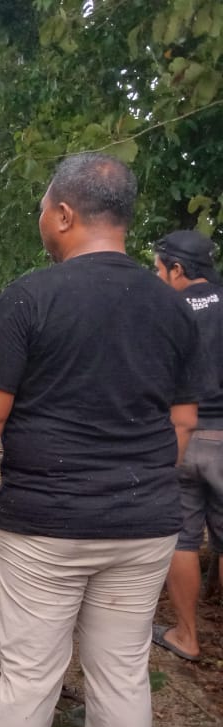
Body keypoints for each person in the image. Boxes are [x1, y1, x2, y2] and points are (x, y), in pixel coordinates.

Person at [0, 153, 206, 727]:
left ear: (63, 214)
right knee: (121, 677)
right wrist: (136, 484)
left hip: (44, 529)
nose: (42, 219)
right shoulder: (173, 307)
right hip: (144, 528)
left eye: (42, 209)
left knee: (30, 679)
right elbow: (184, 421)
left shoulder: (31, 297)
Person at [151, 230, 223, 663]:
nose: (156, 277)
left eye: (159, 269)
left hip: (181, 435)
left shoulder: (162, 310)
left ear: (177, 269)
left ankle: (187, 636)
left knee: (182, 539)